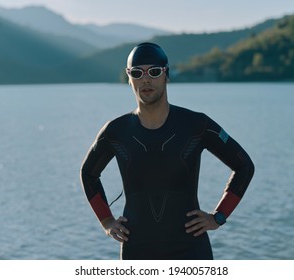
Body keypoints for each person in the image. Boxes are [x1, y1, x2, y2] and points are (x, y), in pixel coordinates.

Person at [80, 42, 254, 260]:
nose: (146, 79)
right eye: (137, 72)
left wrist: (219, 216)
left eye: (154, 71)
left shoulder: (197, 125)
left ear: (166, 75)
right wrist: (106, 221)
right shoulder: (116, 131)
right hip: (137, 250)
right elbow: (88, 174)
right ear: (129, 78)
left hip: (191, 251)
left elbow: (244, 165)